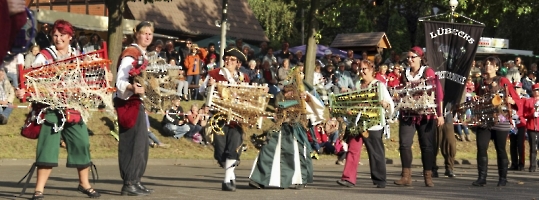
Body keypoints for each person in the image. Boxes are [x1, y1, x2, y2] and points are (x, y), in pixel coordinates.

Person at [17, 19, 101, 200]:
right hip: (50, 108)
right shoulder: (44, 56)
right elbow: (30, 80)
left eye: (62, 34)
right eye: (55, 34)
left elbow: (87, 79)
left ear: (70, 36)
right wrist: (23, 89)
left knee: (82, 143)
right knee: (47, 148)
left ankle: (84, 183)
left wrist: (104, 76)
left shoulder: (78, 55)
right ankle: (38, 189)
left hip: (73, 107)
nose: (58, 38)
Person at [249, 67, 323, 190]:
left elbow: (317, 107)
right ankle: (260, 178)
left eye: (290, 90)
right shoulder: (282, 95)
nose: (288, 93)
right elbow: (278, 107)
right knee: (268, 148)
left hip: (297, 127)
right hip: (281, 125)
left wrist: (307, 98)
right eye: (286, 90)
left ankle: (300, 179)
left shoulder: (306, 91)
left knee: (296, 153)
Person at [336, 59, 394, 188]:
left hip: (373, 123)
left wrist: (386, 105)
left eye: (364, 69)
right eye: (360, 69)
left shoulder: (378, 85)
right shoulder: (357, 85)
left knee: (375, 152)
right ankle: (348, 178)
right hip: (357, 124)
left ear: (371, 69)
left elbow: (389, 103)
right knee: (353, 149)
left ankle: (380, 179)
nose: (361, 72)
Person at [199, 47, 250, 191]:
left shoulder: (244, 78)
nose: (228, 61)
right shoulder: (214, 74)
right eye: (226, 58)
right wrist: (210, 87)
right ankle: (230, 174)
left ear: (238, 63)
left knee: (233, 146)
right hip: (218, 117)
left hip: (236, 119)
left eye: (232, 59)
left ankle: (227, 180)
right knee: (221, 149)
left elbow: (249, 97)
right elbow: (201, 90)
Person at [114, 21, 154, 196]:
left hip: (138, 103)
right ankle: (129, 181)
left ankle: (136, 180)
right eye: (144, 33)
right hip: (128, 103)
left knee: (141, 144)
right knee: (131, 143)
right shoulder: (131, 54)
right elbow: (120, 81)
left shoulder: (143, 54)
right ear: (136, 33)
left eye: (150, 34)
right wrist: (132, 88)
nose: (147, 36)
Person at [394, 47, 443, 187]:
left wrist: (440, 114)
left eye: (412, 57)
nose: (410, 60)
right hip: (408, 113)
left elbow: (438, 93)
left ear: (420, 58)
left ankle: (428, 176)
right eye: (408, 57)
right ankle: (406, 176)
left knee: (427, 146)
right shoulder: (404, 73)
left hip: (426, 114)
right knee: (404, 144)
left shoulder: (428, 72)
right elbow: (400, 91)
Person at [471, 56, 521, 187]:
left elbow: (515, 98)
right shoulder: (480, 81)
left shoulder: (503, 80)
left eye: (491, 64)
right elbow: (477, 97)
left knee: (500, 149)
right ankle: (482, 177)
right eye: (486, 63)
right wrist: (475, 99)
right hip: (484, 119)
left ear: (497, 67)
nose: (488, 66)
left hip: (501, 119)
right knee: (481, 147)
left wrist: (512, 101)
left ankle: (503, 178)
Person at [509, 81, 527, 171]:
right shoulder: (509, 99)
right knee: (512, 144)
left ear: (521, 89)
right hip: (512, 124)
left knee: (520, 144)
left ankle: (521, 163)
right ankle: (514, 163)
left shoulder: (524, 99)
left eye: (518, 88)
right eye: (514, 88)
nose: (516, 90)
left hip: (521, 123)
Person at [523, 83, 539, 172]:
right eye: (535, 90)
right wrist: (532, 114)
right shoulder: (529, 101)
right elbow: (524, 114)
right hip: (532, 126)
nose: (537, 92)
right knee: (533, 147)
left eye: (538, 90)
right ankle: (532, 166)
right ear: (532, 91)